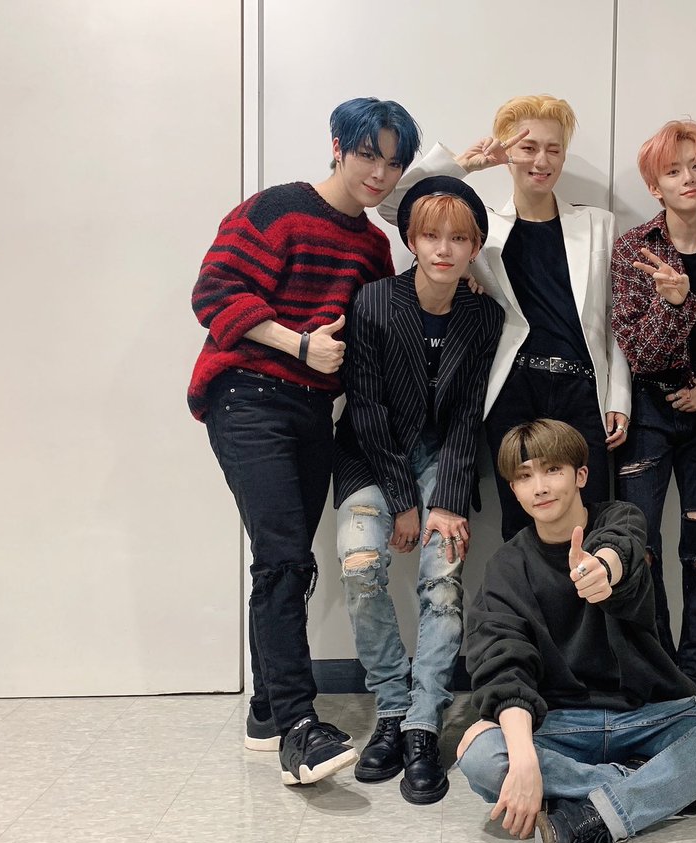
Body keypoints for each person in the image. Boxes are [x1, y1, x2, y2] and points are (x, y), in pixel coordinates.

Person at [188, 97, 421, 785]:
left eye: (393, 163)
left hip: (314, 410)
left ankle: (266, 711)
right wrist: (298, 343)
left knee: (287, 560)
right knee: (285, 557)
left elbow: (378, 332)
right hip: (247, 396)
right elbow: (213, 293)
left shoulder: (373, 247)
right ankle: (297, 725)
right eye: (368, 154)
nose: (379, 173)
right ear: (338, 146)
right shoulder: (277, 210)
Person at [456, 419, 696, 843]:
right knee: (481, 755)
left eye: (552, 470)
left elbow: (619, 548)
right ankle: (669, 786)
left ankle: (585, 816)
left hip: (645, 716)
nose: (540, 487)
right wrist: (522, 756)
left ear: (580, 475)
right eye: (524, 476)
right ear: (514, 490)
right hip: (561, 725)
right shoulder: (506, 566)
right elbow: (504, 663)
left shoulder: (620, 518)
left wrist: (602, 570)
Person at [377, 95, 631, 540]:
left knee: (589, 524)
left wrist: (619, 397)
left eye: (553, 149)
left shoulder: (598, 225)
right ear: (508, 151)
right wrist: (464, 165)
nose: (541, 161)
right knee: (521, 529)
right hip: (512, 389)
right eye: (528, 148)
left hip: (581, 390)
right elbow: (393, 204)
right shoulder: (481, 229)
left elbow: (616, 318)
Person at [333, 176, 503, 805]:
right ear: (410, 239)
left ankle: (423, 725)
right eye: (431, 235)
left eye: (458, 238)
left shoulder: (484, 316)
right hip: (371, 458)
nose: (443, 248)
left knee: (443, 582)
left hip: (445, 463)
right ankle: (390, 708)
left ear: (475, 247)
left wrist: (448, 502)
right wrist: (405, 503)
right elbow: (368, 411)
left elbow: (467, 418)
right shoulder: (375, 302)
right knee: (359, 565)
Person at [609, 120, 696, 690]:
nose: (689, 178)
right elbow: (639, 352)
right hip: (648, 411)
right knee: (640, 542)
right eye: (673, 170)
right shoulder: (634, 249)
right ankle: (660, 666)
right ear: (654, 186)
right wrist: (675, 305)